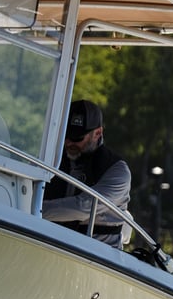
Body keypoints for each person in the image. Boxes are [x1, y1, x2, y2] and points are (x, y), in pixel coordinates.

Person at [42, 99, 132, 248]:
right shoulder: (53, 158)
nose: (69, 143)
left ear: (97, 133)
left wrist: (32, 209)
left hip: (98, 253)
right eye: (66, 135)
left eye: (77, 138)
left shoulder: (117, 171)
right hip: (54, 243)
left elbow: (84, 207)